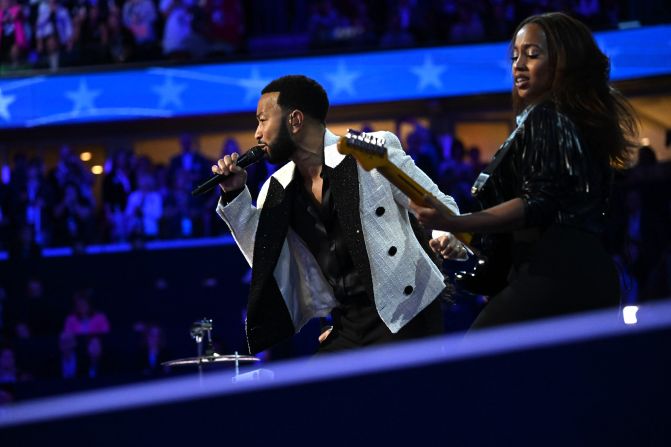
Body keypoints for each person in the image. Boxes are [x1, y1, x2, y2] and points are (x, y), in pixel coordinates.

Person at [411, 12, 638, 329]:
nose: (519, 64)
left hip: (554, 272)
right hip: (582, 273)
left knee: (475, 366)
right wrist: (463, 242)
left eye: (533, 54)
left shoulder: (547, 117)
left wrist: (454, 220)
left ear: (563, 62)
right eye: (516, 55)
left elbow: (537, 205)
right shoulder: (568, 121)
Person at [212, 74, 464, 355]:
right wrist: (234, 193)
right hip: (348, 322)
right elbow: (266, 260)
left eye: (262, 120)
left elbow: (435, 203)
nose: (257, 134)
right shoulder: (277, 187)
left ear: (295, 120)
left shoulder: (366, 148)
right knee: (319, 394)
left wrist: (446, 234)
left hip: (405, 311)